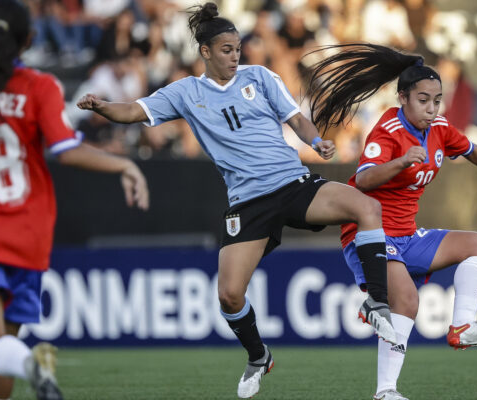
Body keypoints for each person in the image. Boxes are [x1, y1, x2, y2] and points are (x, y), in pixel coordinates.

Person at [75, 3, 396, 398]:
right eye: (226, 49)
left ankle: (377, 304)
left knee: (367, 207)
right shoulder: (186, 92)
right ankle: (259, 355)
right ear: (205, 51)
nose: (234, 55)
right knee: (229, 294)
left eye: (237, 48)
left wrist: (315, 140)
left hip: (292, 184)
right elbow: (133, 111)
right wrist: (103, 107)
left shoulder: (260, 77)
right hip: (248, 202)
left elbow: (295, 118)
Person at [0, 1, 150, 399]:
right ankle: (26, 362)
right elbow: (67, 149)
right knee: (3, 351)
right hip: (28, 235)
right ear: (29, 40)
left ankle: (30, 362)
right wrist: (124, 166)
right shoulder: (41, 87)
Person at [305, 43, 477, 400]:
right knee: (406, 299)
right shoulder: (387, 130)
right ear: (403, 97)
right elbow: (362, 180)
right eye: (424, 100)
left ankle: (462, 326)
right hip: (369, 234)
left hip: (406, 234)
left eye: (437, 100)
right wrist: (402, 162)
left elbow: (471, 149)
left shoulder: (438, 126)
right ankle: (386, 391)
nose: (432, 108)